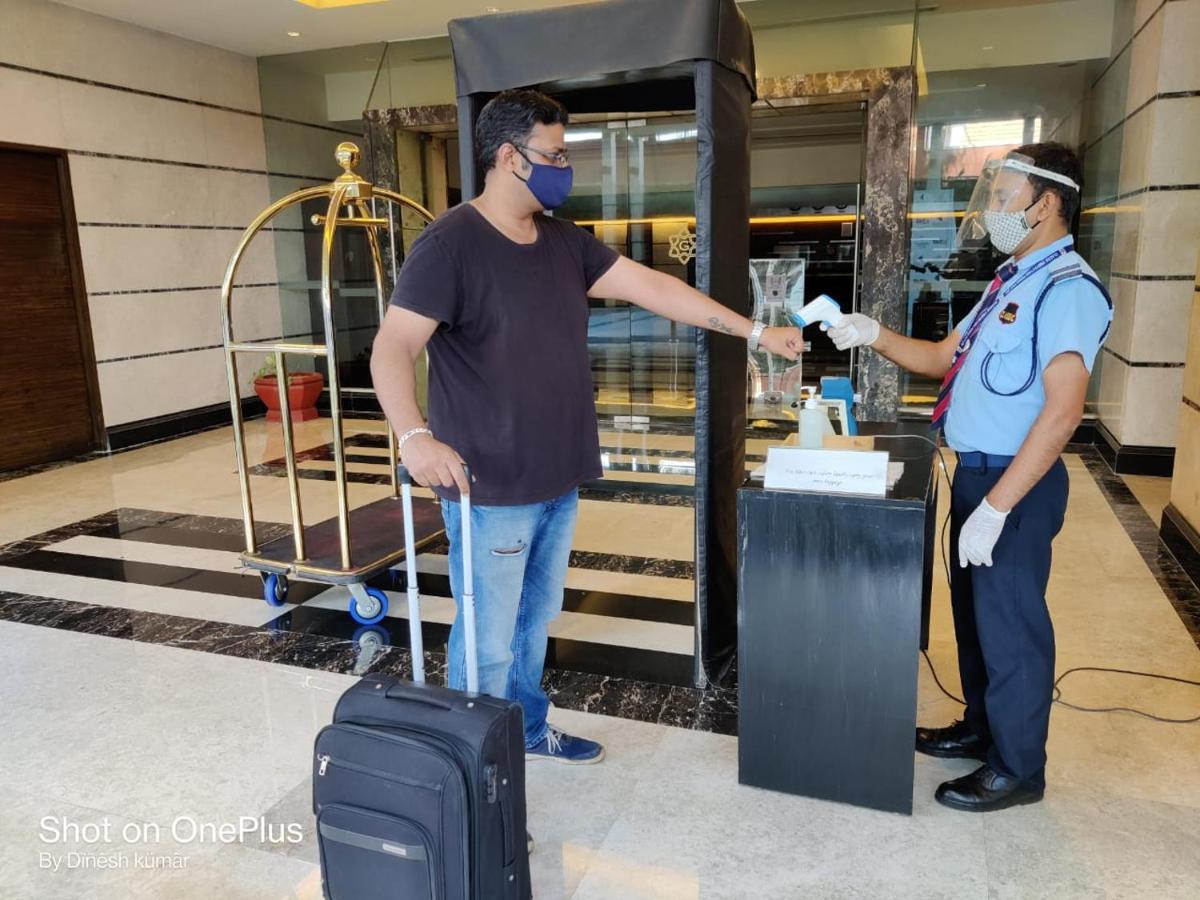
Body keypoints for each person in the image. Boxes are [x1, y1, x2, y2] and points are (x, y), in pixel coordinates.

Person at [372, 89, 802, 767]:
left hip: (556, 475)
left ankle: (526, 731)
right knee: (488, 634)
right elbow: (392, 345)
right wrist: (413, 435)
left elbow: (654, 288)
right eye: (555, 155)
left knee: (534, 622)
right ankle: (471, 769)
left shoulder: (563, 243)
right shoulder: (450, 245)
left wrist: (754, 331)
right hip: (488, 482)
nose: (564, 169)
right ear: (510, 158)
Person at [826, 142, 1111, 811]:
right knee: (978, 621)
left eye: (1005, 195)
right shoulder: (1007, 282)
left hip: (1017, 485)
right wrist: (872, 333)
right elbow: (937, 358)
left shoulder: (1067, 290)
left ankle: (1018, 769)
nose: (992, 209)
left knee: (1012, 627)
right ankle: (982, 729)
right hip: (978, 478)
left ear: (1049, 203)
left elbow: (1064, 410)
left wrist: (998, 508)